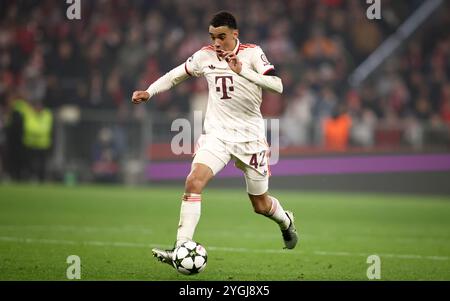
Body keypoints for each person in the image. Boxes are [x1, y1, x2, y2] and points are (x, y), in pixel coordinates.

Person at [131, 11, 298, 267]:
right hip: (216, 136)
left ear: (235, 34)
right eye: (212, 37)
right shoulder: (204, 56)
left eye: (221, 37)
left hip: (249, 139)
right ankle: (181, 246)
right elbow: (175, 75)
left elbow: (277, 85)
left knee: (261, 205)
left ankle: (286, 221)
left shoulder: (252, 53)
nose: (217, 43)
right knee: (193, 182)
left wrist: (243, 71)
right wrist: (150, 91)